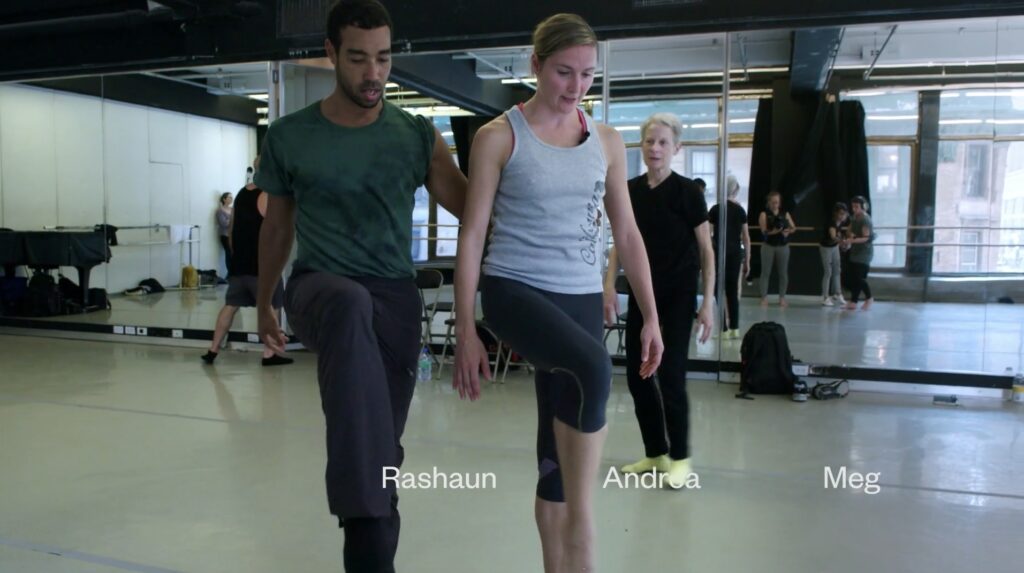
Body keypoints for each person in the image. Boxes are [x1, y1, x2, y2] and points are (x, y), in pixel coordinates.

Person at [254, 1, 468, 571]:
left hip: (395, 301)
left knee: (380, 449)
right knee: (348, 307)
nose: (373, 74)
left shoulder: (417, 136)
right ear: (329, 54)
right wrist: (263, 301)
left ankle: (371, 550)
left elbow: (473, 207)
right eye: (357, 59)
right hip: (321, 290)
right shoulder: (289, 136)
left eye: (383, 58)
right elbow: (278, 226)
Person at [452, 13, 664, 573]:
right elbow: (472, 235)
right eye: (564, 72)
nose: (576, 87)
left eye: (587, 75)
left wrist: (651, 316)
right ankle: (584, 532)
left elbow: (628, 234)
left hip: (577, 296)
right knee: (594, 369)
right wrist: (467, 327)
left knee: (555, 451)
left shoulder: (608, 142)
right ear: (536, 66)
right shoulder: (499, 136)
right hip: (513, 289)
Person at [603, 112, 715, 488]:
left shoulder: (688, 193)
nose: (655, 148)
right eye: (650, 141)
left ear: (676, 148)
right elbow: (621, 242)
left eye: (663, 142)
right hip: (640, 293)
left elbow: (707, 250)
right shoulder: (630, 190)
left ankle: (681, 457)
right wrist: (608, 286)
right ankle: (656, 453)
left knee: (671, 374)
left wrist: (708, 301)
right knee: (638, 376)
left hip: (679, 294)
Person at [202, 157, 293, 367]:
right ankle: (270, 353)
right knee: (273, 306)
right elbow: (278, 229)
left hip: (240, 263)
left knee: (230, 305)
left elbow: (232, 230)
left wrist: (236, 256)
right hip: (262, 264)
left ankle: (213, 349)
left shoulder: (243, 193)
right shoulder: (268, 194)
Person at [709, 175, 750, 338]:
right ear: (735, 190)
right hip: (735, 254)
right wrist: (748, 259)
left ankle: (724, 329)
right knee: (732, 291)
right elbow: (746, 237)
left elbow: (709, 234)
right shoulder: (740, 210)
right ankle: (735, 328)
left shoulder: (715, 209)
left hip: (719, 253)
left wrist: (713, 246)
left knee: (719, 291)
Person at [758, 191, 796, 307]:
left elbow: (793, 227)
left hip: (783, 246)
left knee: (783, 273)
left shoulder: (785, 213)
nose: (775, 205)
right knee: (765, 272)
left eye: (777, 202)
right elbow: (764, 231)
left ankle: (782, 297)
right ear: (769, 202)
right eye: (773, 202)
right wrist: (774, 231)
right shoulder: (764, 214)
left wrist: (787, 231)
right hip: (768, 246)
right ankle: (764, 297)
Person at [843, 196, 874, 310]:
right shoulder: (855, 218)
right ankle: (853, 301)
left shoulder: (865, 219)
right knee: (853, 277)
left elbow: (866, 237)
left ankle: (869, 297)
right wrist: (850, 236)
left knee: (859, 278)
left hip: (864, 253)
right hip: (855, 251)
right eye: (853, 206)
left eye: (857, 206)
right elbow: (849, 230)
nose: (854, 209)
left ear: (863, 207)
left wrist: (852, 240)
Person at [819, 202, 849, 307]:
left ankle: (838, 293)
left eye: (844, 214)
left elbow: (837, 238)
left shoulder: (840, 224)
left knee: (837, 270)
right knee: (828, 272)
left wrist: (841, 243)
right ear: (836, 213)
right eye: (841, 213)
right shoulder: (831, 223)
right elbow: (833, 236)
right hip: (826, 248)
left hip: (834, 247)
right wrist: (843, 241)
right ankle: (825, 297)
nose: (842, 216)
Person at [217, 192, 233, 276]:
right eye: (229, 197)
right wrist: (232, 219)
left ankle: (233, 273)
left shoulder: (233, 209)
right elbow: (223, 223)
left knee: (234, 254)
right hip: (225, 235)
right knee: (229, 253)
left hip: (233, 235)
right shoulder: (220, 210)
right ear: (224, 199)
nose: (231, 199)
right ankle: (230, 274)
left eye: (232, 197)